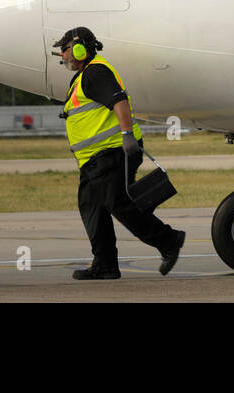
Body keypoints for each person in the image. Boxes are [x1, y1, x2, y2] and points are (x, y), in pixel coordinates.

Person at [55, 26, 186, 280]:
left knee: (119, 203)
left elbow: (119, 102)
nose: (62, 55)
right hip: (94, 159)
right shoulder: (84, 76)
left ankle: (168, 240)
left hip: (113, 152)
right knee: (92, 207)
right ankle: (104, 264)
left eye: (65, 49)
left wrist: (127, 136)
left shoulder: (96, 72)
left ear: (80, 48)